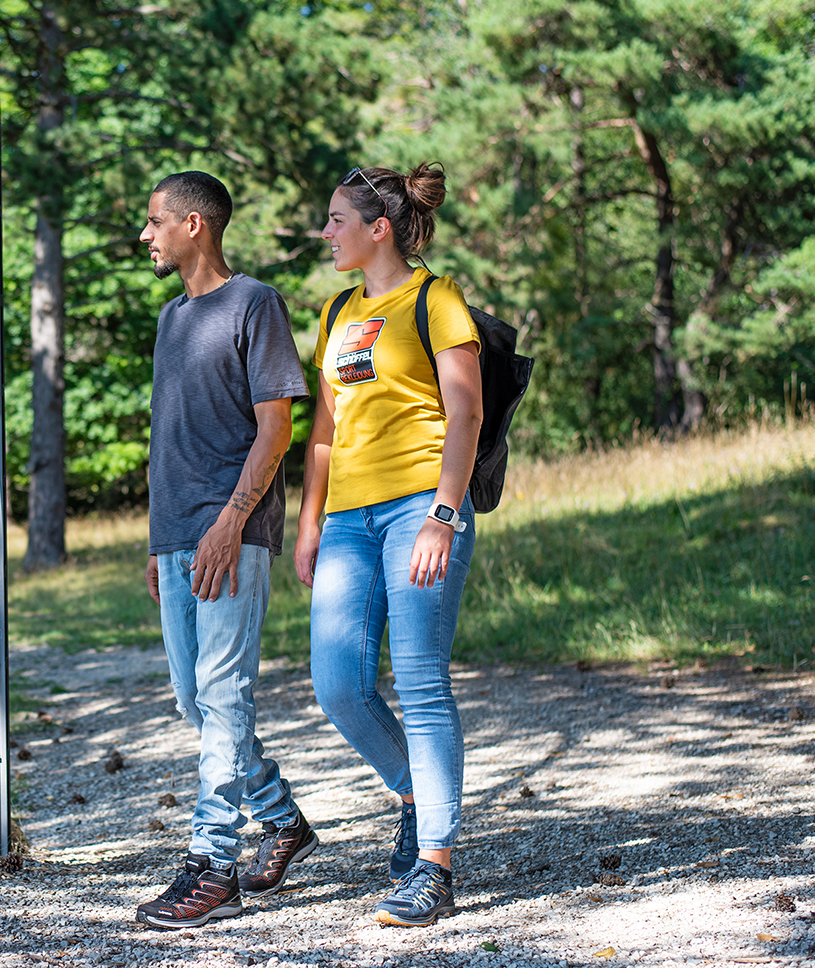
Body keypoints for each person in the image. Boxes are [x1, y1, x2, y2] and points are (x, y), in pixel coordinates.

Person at [296, 163, 482, 927]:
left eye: (337, 219)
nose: (326, 231)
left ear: (379, 230)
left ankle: (433, 864)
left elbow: (464, 413)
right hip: (346, 518)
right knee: (338, 684)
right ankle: (414, 791)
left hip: (420, 508)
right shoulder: (337, 310)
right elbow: (326, 432)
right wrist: (310, 520)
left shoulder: (435, 298)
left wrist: (444, 512)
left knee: (421, 681)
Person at [133, 171, 317, 931]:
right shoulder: (172, 320)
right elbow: (165, 439)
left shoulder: (256, 304)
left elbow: (278, 425)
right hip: (177, 533)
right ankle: (281, 820)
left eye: (155, 222)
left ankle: (211, 863)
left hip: (230, 535)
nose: (146, 236)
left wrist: (231, 522)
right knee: (194, 701)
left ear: (195, 225)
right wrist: (157, 537)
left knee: (224, 695)